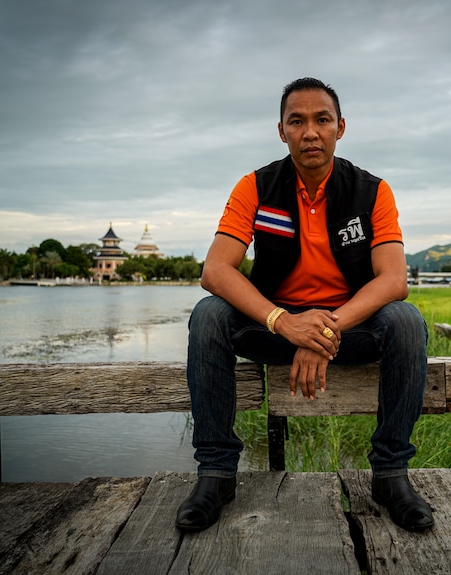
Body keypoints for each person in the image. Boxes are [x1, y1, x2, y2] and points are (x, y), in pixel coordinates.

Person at [176, 77, 433, 532]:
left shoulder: (372, 192)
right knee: (208, 314)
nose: (310, 132)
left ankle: (391, 474)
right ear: (281, 131)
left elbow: (394, 281)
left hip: (348, 329)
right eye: (297, 121)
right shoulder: (255, 187)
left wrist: (323, 331)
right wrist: (284, 323)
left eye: (322, 120)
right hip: (275, 328)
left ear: (341, 127)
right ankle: (215, 472)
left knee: (406, 321)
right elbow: (215, 272)